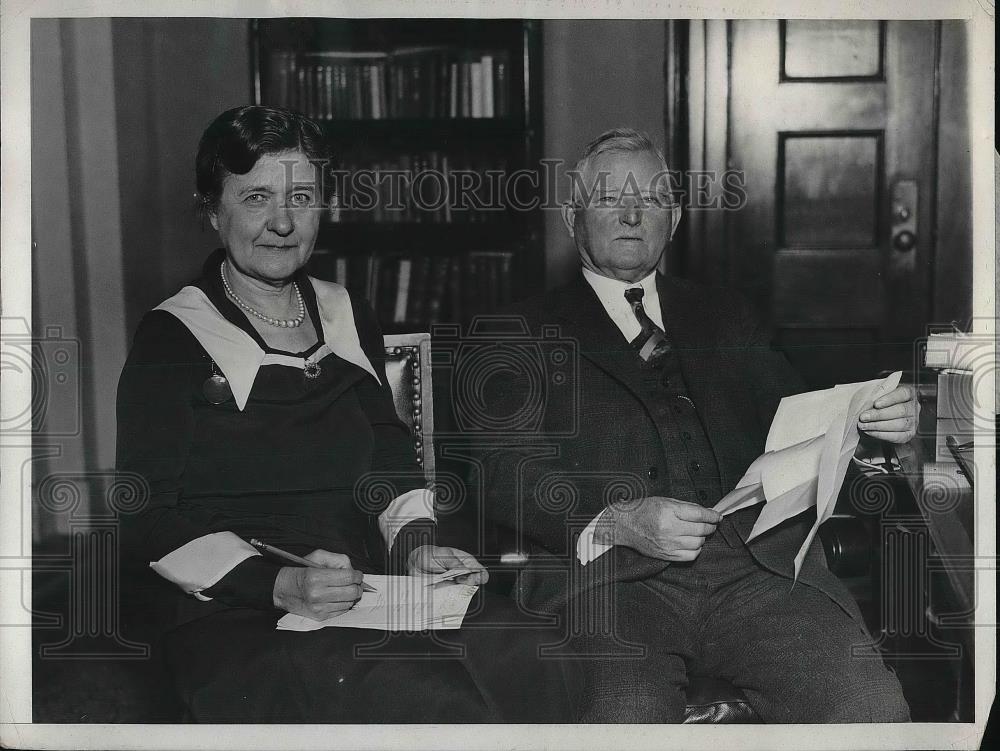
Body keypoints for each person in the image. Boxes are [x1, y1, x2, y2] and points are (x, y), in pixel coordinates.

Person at [116, 105, 578, 723]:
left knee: (537, 652)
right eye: (256, 197)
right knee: (433, 700)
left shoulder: (344, 311)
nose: (282, 222)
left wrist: (415, 547)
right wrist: (277, 584)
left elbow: (389, 455)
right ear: (212, 210)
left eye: (301, 196)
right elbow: (146, 515)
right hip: (241, 614)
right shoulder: (172, 335)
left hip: (366, 590)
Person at [471, 128, 917, 722]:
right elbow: (501, 475)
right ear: (571, 217)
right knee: (624, 717)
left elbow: (803, 426)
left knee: (871, 709)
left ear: (675, 218)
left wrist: (870, 425)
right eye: (609, 199)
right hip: (612, 585)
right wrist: (620, 520)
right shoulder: (514, 333)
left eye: (651, 200)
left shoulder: (728, 315)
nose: (632, 214)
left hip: (758, 573)